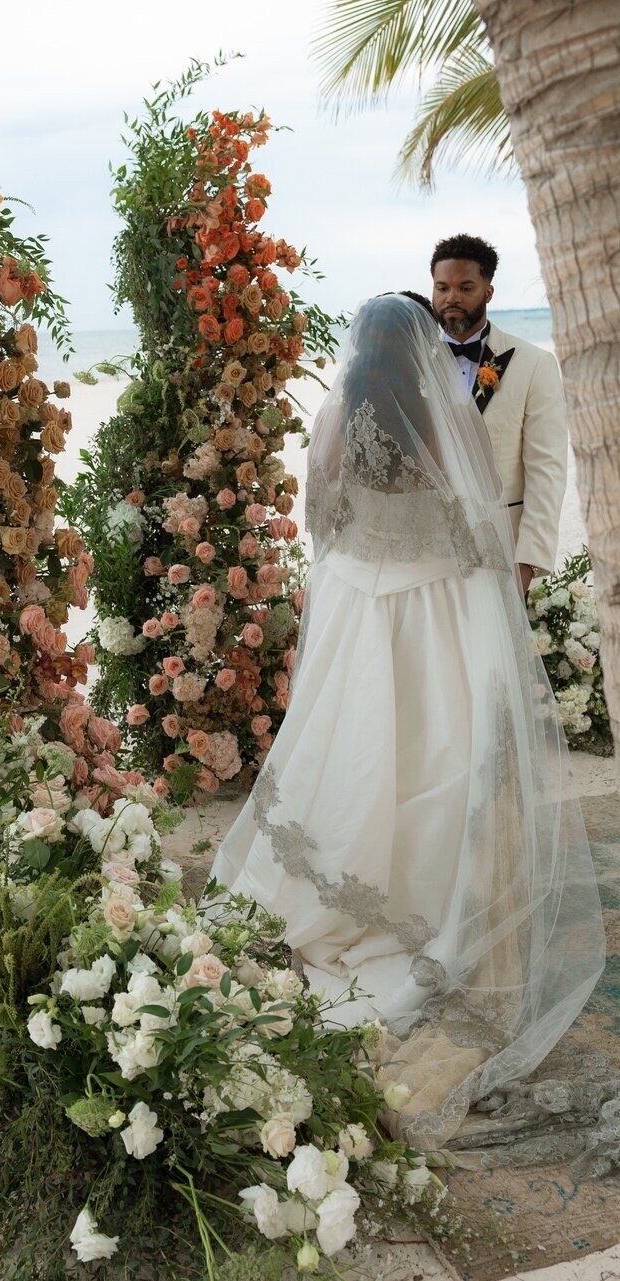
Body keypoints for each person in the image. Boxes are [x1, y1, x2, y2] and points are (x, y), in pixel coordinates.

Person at [208, 294, 604, 1165]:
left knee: (348, 758)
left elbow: (321, 524)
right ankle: (422, 907)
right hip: (430, 616)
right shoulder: (441, 419)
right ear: (425, 352)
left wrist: (364, 568)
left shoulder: (335, 422)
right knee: (437, 764)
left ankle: (338, 898)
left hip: (356, 607)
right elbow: (476, 545)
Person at [430, 233, 568, 595]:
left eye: (465, 287)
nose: (451, 298)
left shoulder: (534, 364)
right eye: (442, 287)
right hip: (425, 556)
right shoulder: (414, 364)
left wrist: (527, 562)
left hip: (501, 553)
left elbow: (547, 470)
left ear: (488, 292)